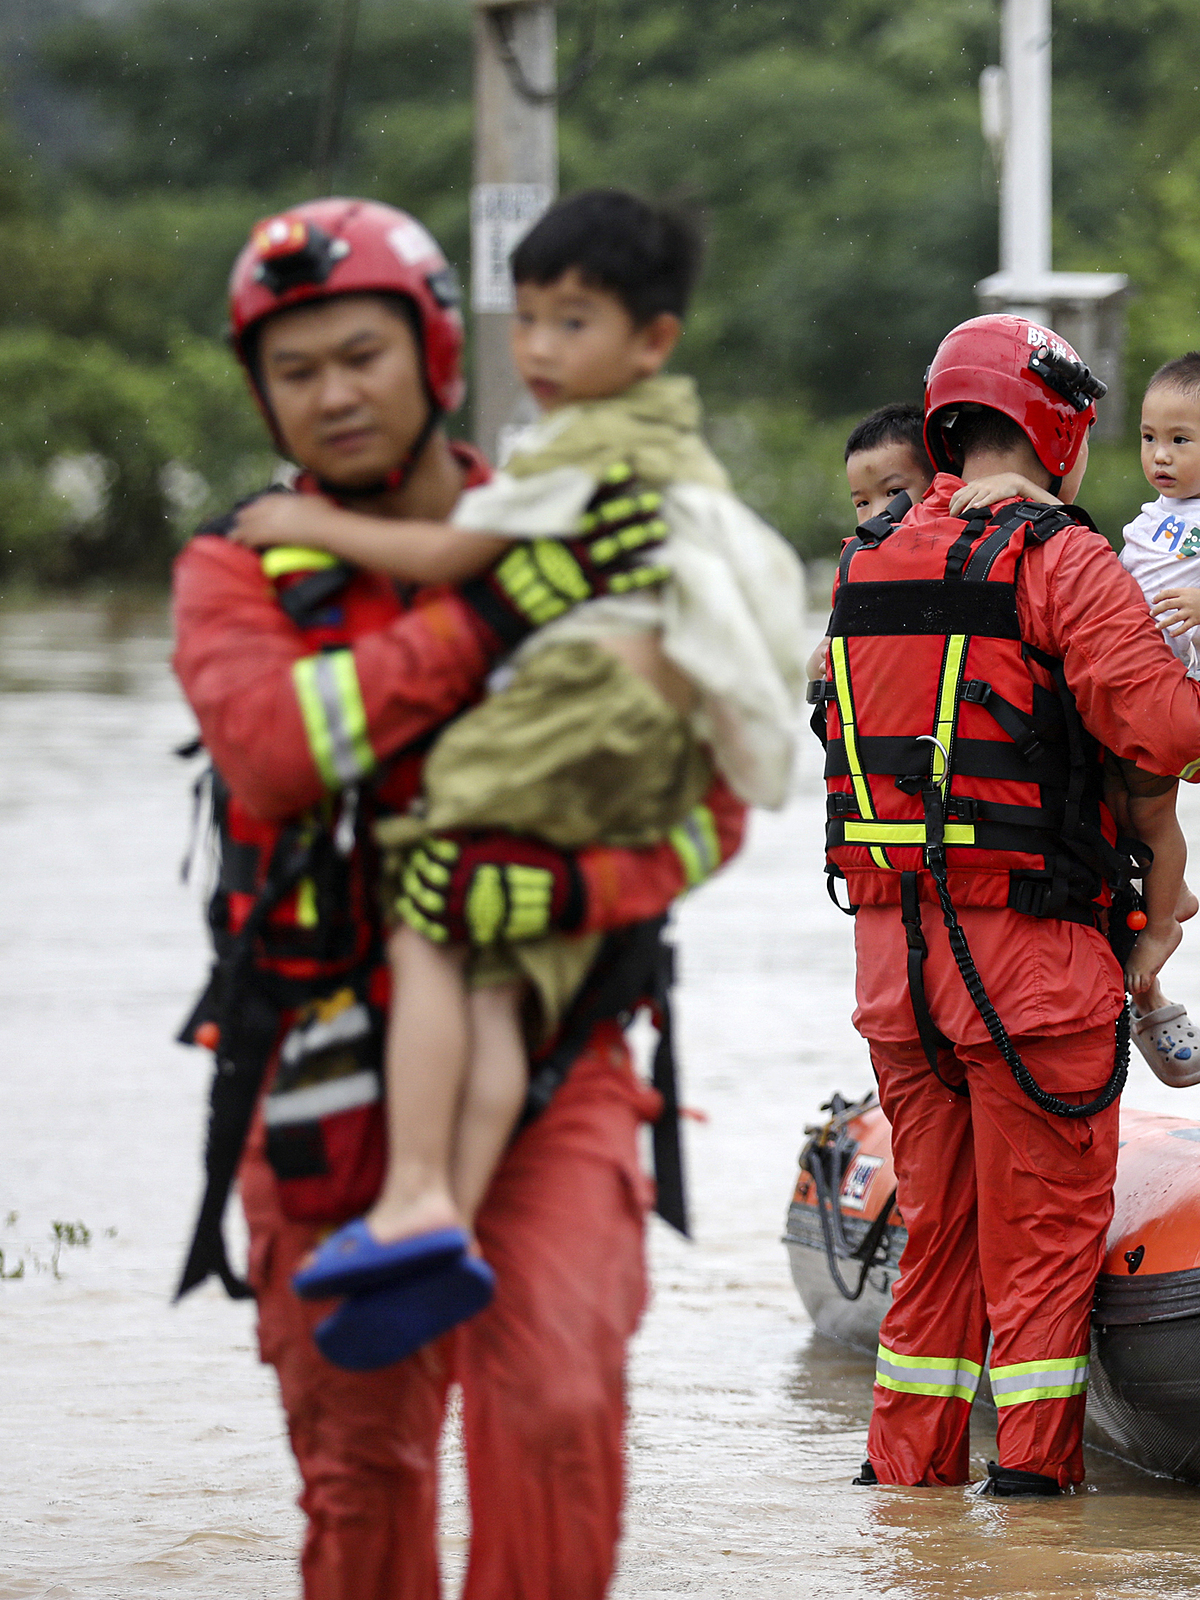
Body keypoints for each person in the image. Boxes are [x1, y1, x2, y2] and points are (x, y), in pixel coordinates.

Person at [172, 196, 747, 1598]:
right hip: (317, 1077)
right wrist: (491, 613)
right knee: (362, 1468)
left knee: (556, 1405)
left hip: (559, 1054)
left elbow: (714, 802)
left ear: (432, 353)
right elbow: (274, 748)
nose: (333, 394)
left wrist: (564, 879)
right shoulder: (237, 570)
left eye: (361, 355)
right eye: (295, 371)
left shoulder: (592, 523)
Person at [222, 188, 807, 1367]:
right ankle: (439, 1207)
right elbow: (268, 745)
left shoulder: (577, 457)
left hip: (568, 727)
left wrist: (304, 525)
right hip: (627, 757)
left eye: (572, 323)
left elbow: (446, 557)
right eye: (527, 319)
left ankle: (425, 1188)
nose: (539, 349)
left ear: (650, 342)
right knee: (491, 976)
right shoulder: (661, 448)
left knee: (429, 912)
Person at [824, 314, 1200, 1494]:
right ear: (1059, 425)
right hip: (1032, 962)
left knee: (937, 1240)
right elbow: (1165, 730)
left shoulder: (869, 556)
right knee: (1045, 1244)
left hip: (895, 960)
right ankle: (1036, 1501)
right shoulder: (1059, 558)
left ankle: (907, 1494)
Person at [952, 352, 1200, 1085]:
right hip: (1119, 680)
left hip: (1167, 682)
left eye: (1180, 441)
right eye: (1148, 438)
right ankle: (1159, 922)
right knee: (1109, 815)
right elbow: (1085, 561)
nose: (1159, 456)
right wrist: (1020, 490)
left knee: (1151, 816)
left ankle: (1164, 924)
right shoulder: (1153, 518)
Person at [845, 402, 935, 520]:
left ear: (936, 484)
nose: (876, 514)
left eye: (894, 492)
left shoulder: (962, 532)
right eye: (862, 503)